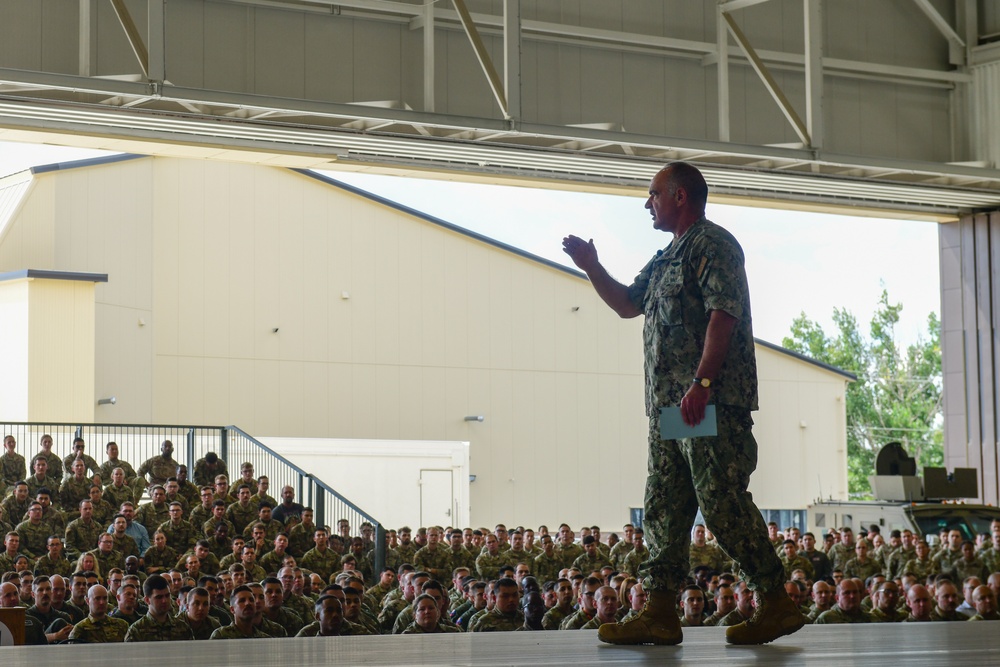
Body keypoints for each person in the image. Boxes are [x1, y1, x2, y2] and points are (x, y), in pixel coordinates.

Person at [562, 162, 801, 646]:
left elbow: (723, 314)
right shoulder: (668, 256)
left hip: (707, 403)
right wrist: (591, 266)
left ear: (679, 196)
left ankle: (775, 600)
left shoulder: (712, 245)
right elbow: (629, 303)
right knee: (665, 507)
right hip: (672, 408)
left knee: (721, 502)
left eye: (652, 195)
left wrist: (704, 382)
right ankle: (660, 612)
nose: (646, 203)